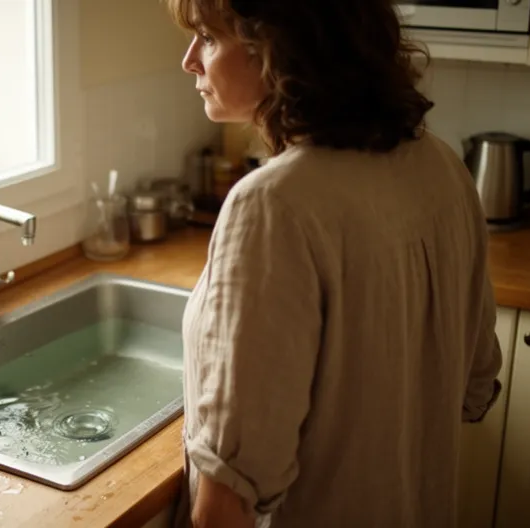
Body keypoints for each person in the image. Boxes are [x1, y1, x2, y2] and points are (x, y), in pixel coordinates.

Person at [167, 0, 504, 526]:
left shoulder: (273, 203)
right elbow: (475, 384)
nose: (190, 60)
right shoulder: (443, 167)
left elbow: (230, 497)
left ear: (274, 48)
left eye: (208, 38)